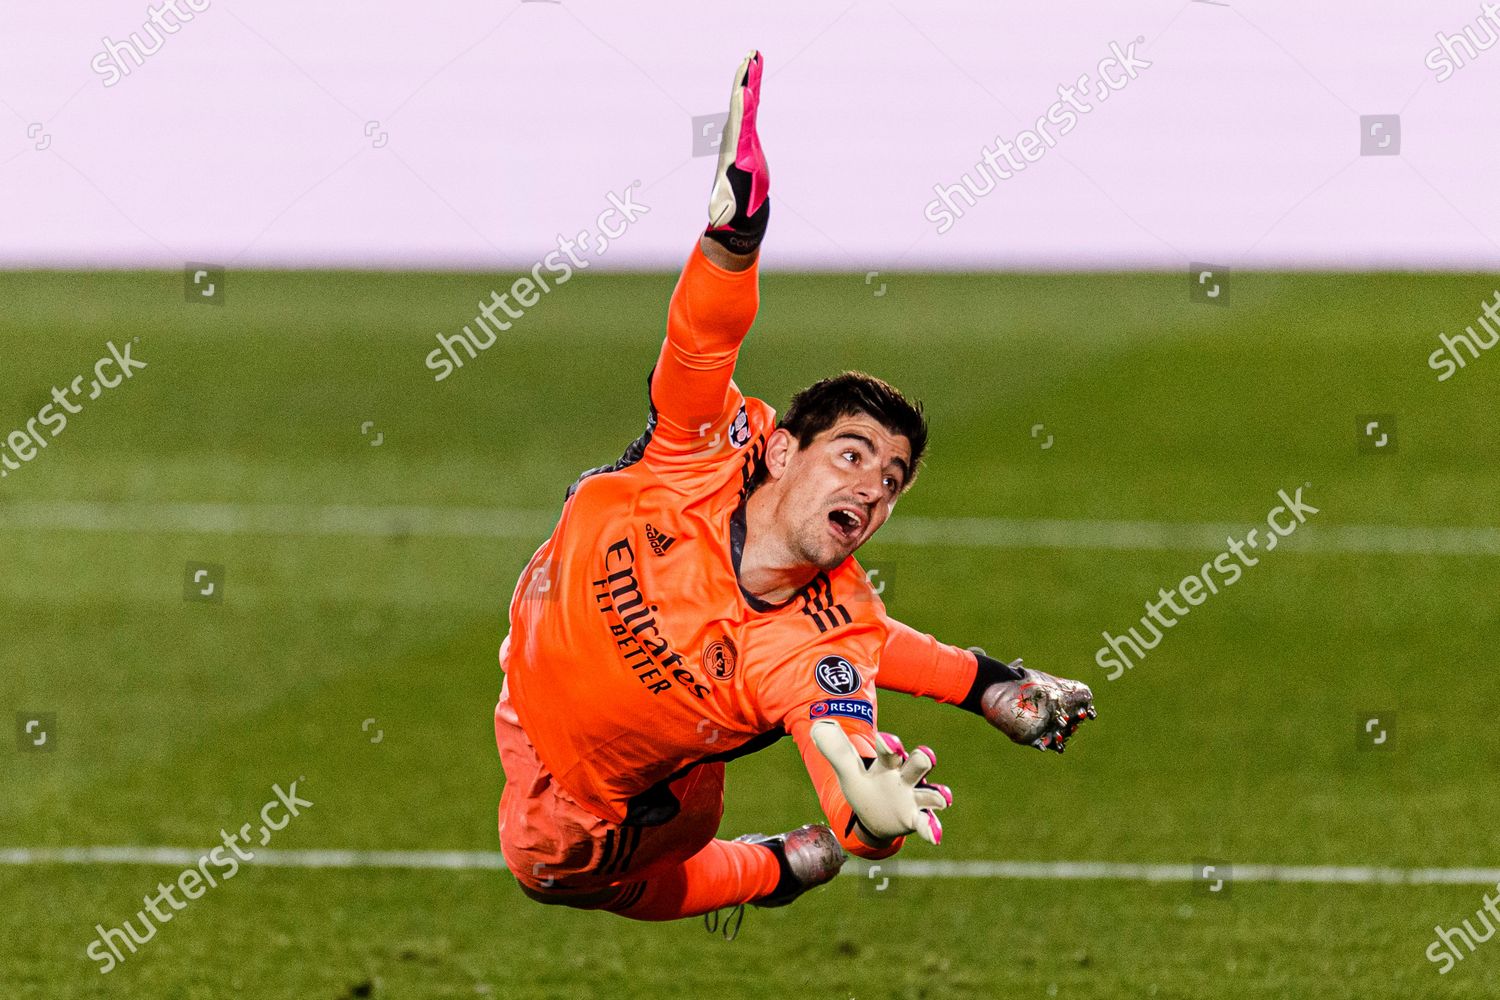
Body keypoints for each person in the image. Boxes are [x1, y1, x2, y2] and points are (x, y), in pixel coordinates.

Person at [495, 50, 1096, 922]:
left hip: (605, 793)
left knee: (552, 872)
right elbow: (702, 340)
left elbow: (844, 735)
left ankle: (765, 872)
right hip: (537, 642)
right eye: (852, 455)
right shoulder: (708, 447)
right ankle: (993, 689)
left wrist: (871, 824)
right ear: (780, 451)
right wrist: (734, 239)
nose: (873, 489)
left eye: (892, 481)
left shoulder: (824, 641)